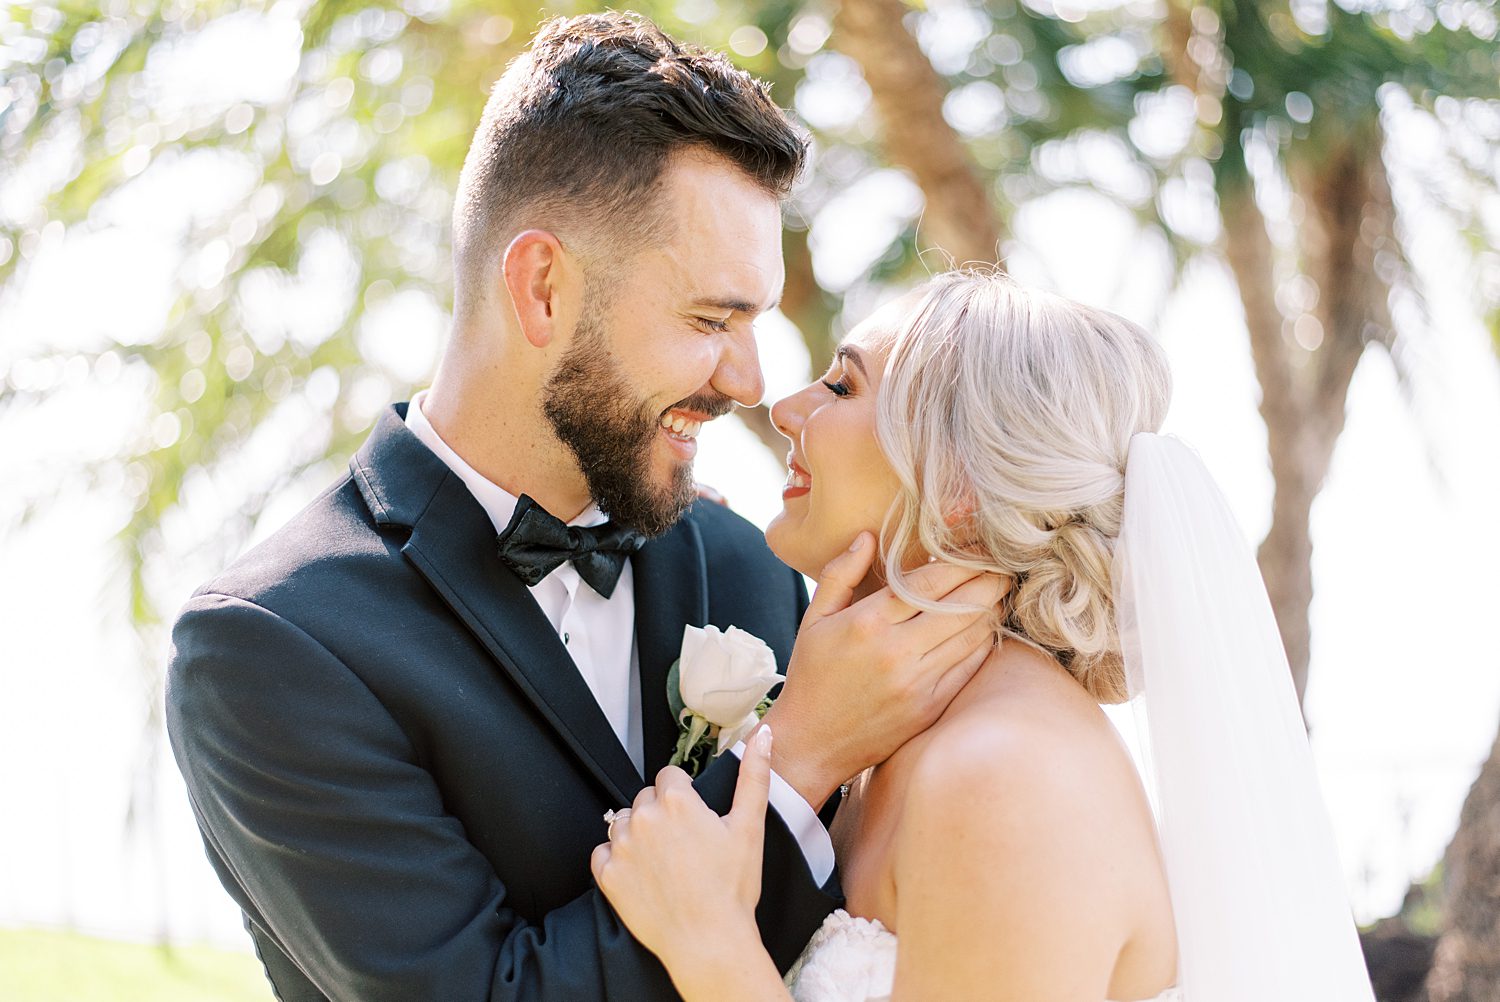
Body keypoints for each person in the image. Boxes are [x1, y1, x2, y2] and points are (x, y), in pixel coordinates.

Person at [164, 14, 1000, 1001]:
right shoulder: (274, 650)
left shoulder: (748, 564)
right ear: (544, 289)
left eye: (755, 323)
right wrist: (801, 754)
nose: (750, 379)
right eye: (708, 319)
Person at [591, 271, 1379, 1002]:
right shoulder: (893, 738)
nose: (785, 407)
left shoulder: (1006, 776)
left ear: (959, 481)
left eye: (841, 384)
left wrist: (710, 945)